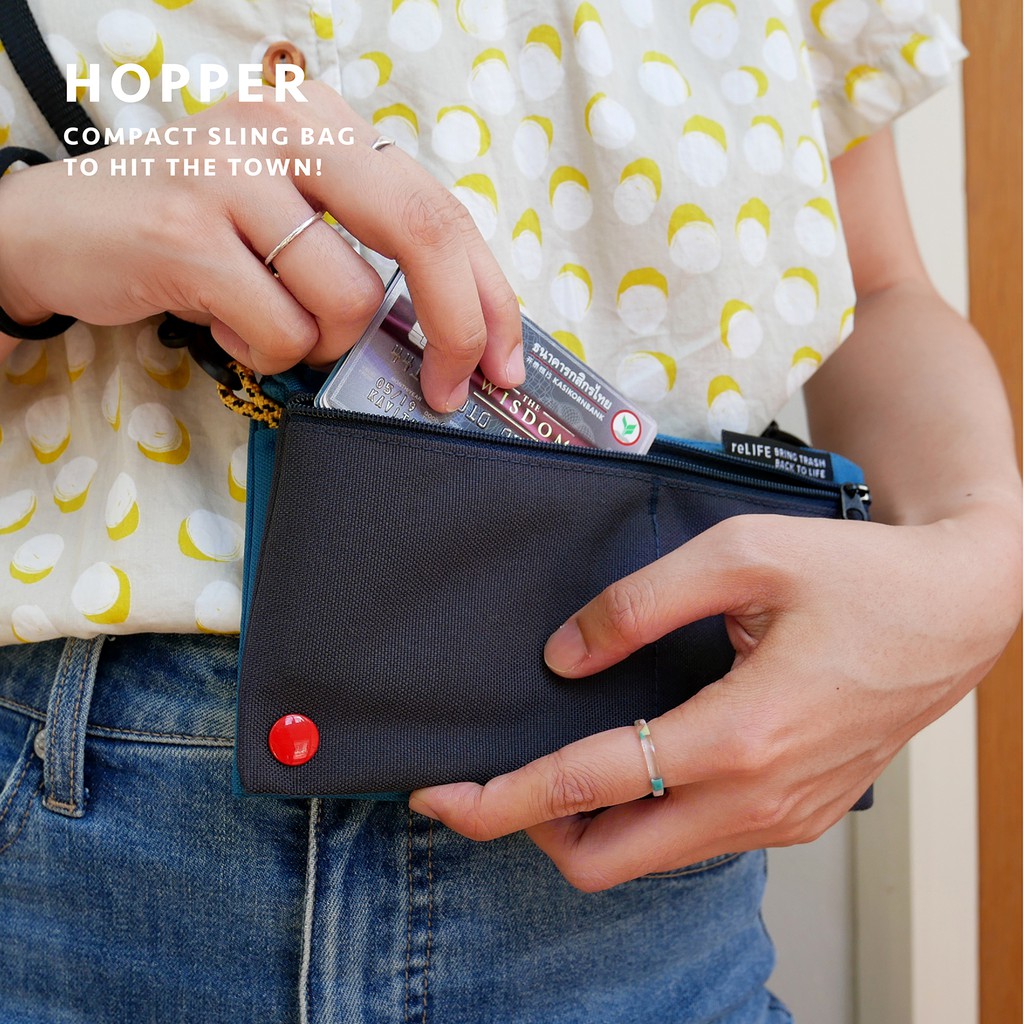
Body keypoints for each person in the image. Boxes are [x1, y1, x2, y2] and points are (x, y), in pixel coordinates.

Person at [0, 2, 1018, 1022]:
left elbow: (876, 287)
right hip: (75, 839)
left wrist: (982, 558)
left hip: (655, 838)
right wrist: (25, 236)